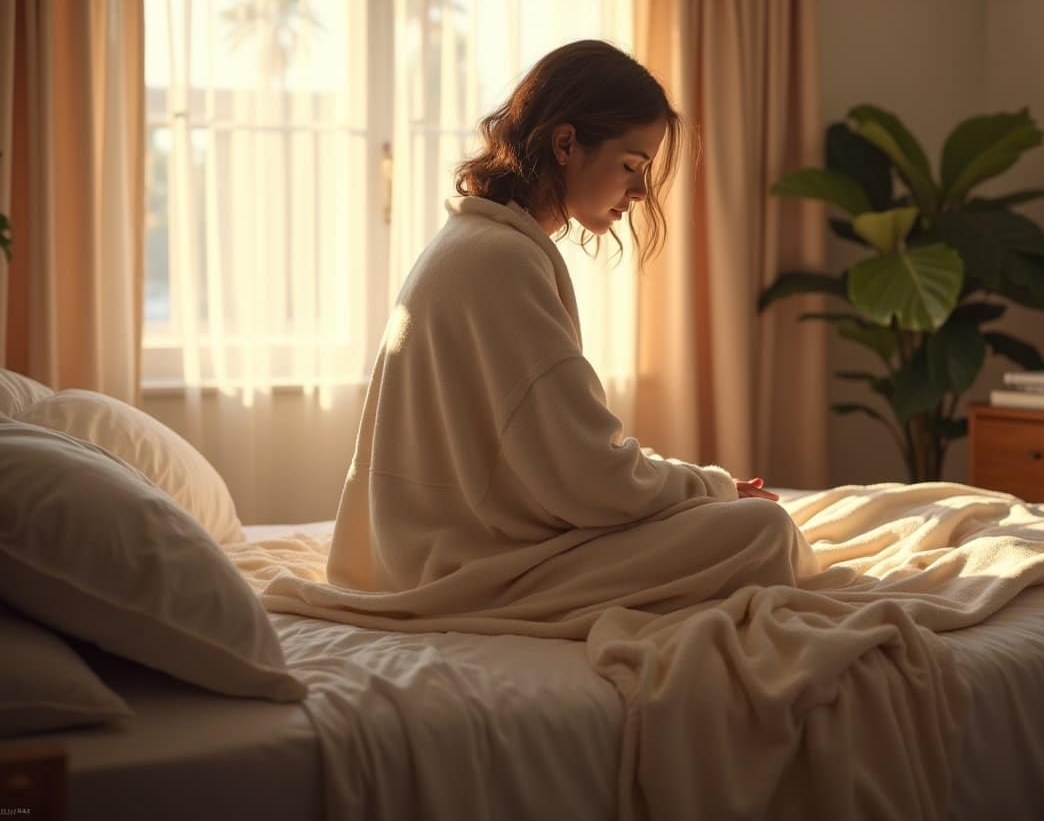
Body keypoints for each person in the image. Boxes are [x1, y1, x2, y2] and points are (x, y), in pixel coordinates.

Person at [326, 39, 799, 597]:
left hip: (430, 548)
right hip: (473, 560)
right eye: (631, 165)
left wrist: (692, 489)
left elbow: (562, 460)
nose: (642, 191)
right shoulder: (501, 258)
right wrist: (711, 487)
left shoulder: (476, 240)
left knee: (749, 526)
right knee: (763, 530)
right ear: (567, 143)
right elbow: (591, 479)